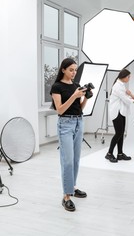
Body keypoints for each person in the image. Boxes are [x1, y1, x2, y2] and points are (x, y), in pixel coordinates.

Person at [50, 58, 90, 212]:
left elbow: (79, 108)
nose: (74, 73)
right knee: (67, 161)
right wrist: (74, 95)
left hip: (79, 122)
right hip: (65, 124)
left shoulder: (76, 86)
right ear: (63, 70)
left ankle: (72, 187)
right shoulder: (57, 87)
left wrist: (85, 97)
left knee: (75, 160)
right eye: (71, 70)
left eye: (75, 70)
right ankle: (66, 196)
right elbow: (59, 110)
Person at [105, 69, 134, 163]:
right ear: (124, 77)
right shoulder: (118, 86)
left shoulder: (121, 85)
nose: (129, 78)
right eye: (128, 77)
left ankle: (120, 154)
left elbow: (126, 97)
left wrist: (132, 97)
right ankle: (109, 154)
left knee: (121, 133)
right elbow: (126, 99)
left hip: (121, 112)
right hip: (116, 112)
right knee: (118, 133)